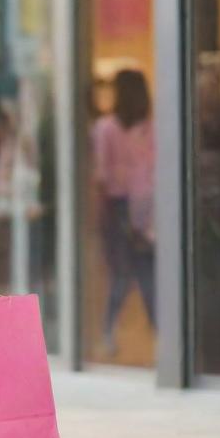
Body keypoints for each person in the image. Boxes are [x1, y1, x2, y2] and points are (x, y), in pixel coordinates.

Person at [91, 69, 156, 356]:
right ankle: (160, 337)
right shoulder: (150, 129)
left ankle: (108, 334)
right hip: (146, 208)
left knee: (123, 274)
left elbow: (102, 175)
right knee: (144, 273)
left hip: (120, 207)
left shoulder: (106, 128)